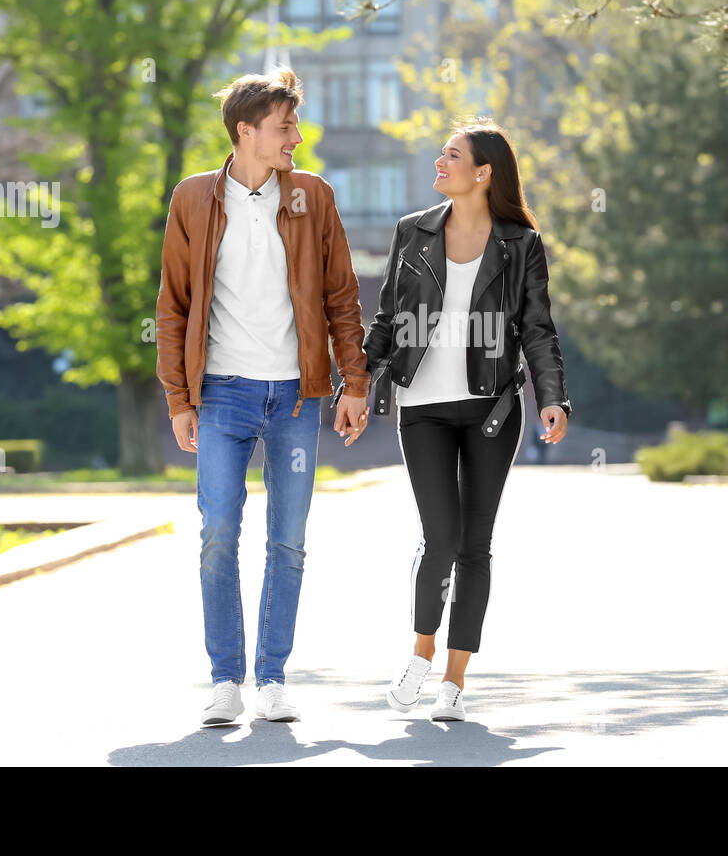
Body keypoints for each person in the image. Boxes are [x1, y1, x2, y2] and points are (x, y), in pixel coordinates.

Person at [154, 68, 371, 727]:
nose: (297, 139)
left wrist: (353, 382)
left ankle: (272, 678)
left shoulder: (312, 196)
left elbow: (341, 297)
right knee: (219, 531)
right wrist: (178, 398)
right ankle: (226, 679)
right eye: (285, 128)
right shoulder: (195, 199)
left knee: (289, 540)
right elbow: (172, 307)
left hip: (297, 398)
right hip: (221, 396)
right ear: (246, 132)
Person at [363, 117, 571, 722]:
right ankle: (421, 651)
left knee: (475, 545)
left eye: (451, 155)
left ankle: (455, 679)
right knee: (442, 539)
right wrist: (355, 384)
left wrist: (552, 396)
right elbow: (386, 322)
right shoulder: (413, 233)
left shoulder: (519, 245)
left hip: (491, 410)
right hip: (422, 407)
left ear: (483, 172)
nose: (439, 162)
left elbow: (536, 328)